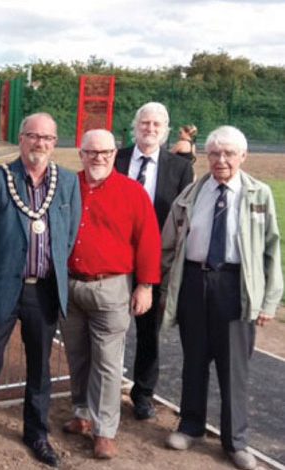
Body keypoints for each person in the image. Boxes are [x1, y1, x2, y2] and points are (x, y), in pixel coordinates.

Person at [0, 113, 81, 469]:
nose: (39, 143)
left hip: (42, 291)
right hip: (2, 288)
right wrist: (1, 270)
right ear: (21, 139)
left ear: (54, 143)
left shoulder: (67, 183)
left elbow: (68, 235)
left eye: (47, 138)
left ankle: (36, 433)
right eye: (32, 136)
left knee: (40, 368)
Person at [161, 126, 282, 470]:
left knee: (234, 369)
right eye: (215, 153)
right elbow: (168, 243)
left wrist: (269, 302)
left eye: (229, 153)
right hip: (194, 284)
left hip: (236, 287)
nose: (221, 160)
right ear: (206, 156)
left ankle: (236, 442)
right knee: (194, 361)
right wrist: (168, 284)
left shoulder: (258, 195)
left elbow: (272, 250)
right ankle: (190, 426)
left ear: (243, 157)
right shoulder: (191, 194)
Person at [62, 129, 161, 460]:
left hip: (112, 286)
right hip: (71, 284)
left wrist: (145, 285)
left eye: (105, 152)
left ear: (115, 154)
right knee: (77, 355)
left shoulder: (132, 192)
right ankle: (82, 413)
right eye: (92, 152)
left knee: (106, 361)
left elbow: (148, 240)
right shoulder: (68, 185)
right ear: (82, 154)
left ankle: (105, 430)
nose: (98, 158)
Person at [114, 102, 194, 421]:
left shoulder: (179, 168)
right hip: (116, 257)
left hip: (155, 260)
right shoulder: (117, 158)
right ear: (135, 126)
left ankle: (143, 394)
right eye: (145, 123)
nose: (149, 129)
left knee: (149, 332)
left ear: (166, 130)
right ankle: (104, 388)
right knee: (109, 327)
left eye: (156, 125)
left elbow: (182, 219)